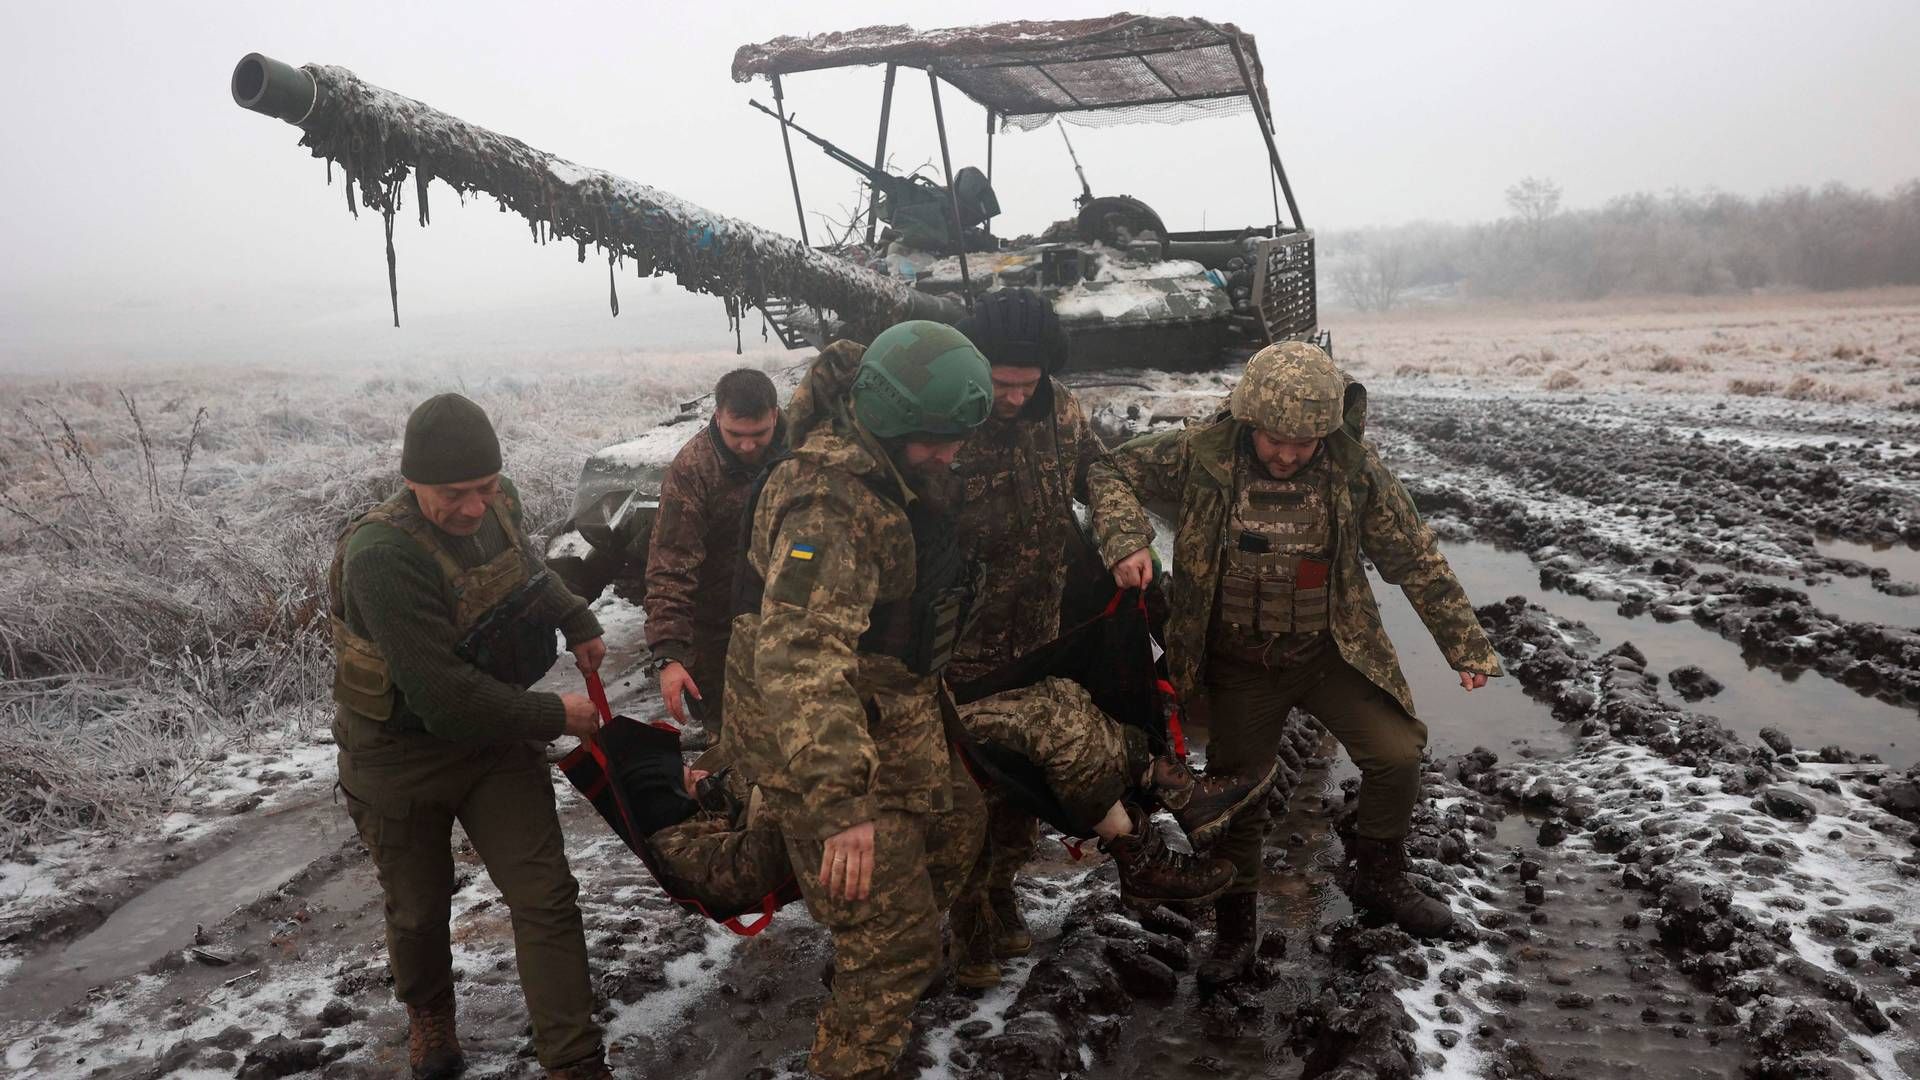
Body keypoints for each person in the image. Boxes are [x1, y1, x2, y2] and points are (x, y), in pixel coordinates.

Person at [1112, 341, 1504, 985]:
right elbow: (1106, 473)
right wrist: (1127, 538)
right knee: (1239, 792)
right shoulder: (1198, 455)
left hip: (1328, 652)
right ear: (1247, 421)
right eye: (1275, 440)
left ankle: (1379, 874)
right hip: (1239, 663)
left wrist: (1463, 643)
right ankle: (1236, 928)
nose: (1289, 455)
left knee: (1398, 752)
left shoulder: (1354, 471)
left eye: (1305, 442)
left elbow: (1414, 556)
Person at [943, 288, 1271, 987]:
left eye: (1022, 384)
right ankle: (967, 933)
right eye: (998, 382)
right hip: (957, 651)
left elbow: (1103, 473)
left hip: (1037, 634)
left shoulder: (1060, 412)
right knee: (967, 795)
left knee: (1019, 794)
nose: (1008, 396)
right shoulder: (950, 417)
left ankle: (999, 900)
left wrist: (1126, 540)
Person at [722, 322, 991, 1080]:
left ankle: (871, 975)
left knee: (960, 828)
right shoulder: (828, 509)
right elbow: (802, 656)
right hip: (813, 739)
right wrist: (844, 811)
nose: (950, 456)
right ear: (890, 421)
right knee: (898, 942)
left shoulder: (886, 467)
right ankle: (861, 1027)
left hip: (883, 711)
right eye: (936, 440)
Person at [328, 393, 612, 1080]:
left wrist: (576, 618)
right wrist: (556, 716)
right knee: (421, 911)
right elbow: (445, 698)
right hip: (398, 753)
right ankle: (430, 1019)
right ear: (412, 482)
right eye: (453, 494)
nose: (475, 508)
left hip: (493, 744)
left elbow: (526, 574)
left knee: (545, 896)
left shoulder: (500, 504)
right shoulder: (381, 556)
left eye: (485, 488)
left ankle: (573, 1062)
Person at [644, 368, 786, 743]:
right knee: (733, 740)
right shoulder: (693, 470)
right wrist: (669, 654)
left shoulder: (803, 447)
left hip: (791, 615)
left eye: (759, 435)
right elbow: (671, 564)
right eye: (736, 435)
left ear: (775, 414)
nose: (748, 447)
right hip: (719, 629)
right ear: (718, 416)